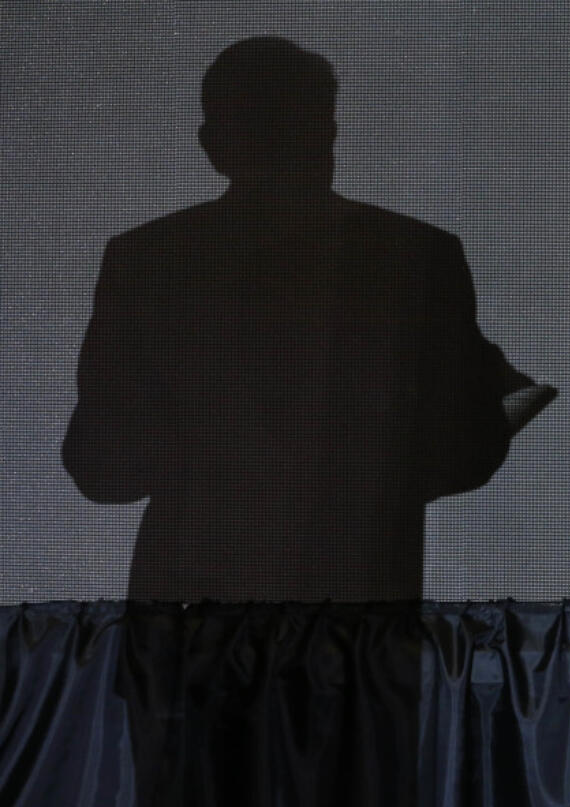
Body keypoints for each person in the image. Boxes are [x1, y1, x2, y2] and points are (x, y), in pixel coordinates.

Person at [62, 37, 520, 601]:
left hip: (191, 619)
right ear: (328, 130)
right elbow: (464, 451)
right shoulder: (418, 257)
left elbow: (103, 467)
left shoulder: (149, 261)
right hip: (358, 613)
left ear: (214, 145)